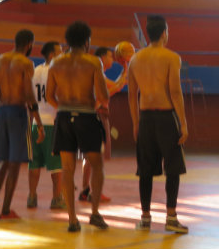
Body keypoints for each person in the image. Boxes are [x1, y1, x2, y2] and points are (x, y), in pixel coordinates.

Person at [128, 15, 189, 234]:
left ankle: (145, 218)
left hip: (145, 118)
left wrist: (136, 123)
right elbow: (175, 91)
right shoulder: (172, 57)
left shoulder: (135, 59)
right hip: (166, 117)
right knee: (173, 168)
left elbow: (132, 94)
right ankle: (171, 217)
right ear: (164, 33)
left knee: (145, 170)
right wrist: (183, 122)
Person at [47, 21, 110, 232]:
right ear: (87, 41)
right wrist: (97, 105)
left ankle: (72, 219)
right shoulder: (93, 62)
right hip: (86, 117)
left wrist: (63, 107)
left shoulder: (56, 63)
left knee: (67, 169)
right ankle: (94, 213)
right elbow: (103, 96)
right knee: (97, 165)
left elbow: (49, 95)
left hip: (64, 117)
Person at [0, 29, 44, 221]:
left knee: (3, 161)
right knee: (14, 163)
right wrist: (38, 122)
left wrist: (1, 112)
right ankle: (5, 210)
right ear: (29, 44)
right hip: (18, 112)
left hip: (3, 111)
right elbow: (29, 94)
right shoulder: (26, 63)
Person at [79, 45, 134, 202]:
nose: (112, 59)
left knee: (88, 156)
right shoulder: (99, 75)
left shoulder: (95, 74)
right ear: (102, 58)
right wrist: (126, 68)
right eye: (110, 56)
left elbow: (115, 86)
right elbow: (116, 87)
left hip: (87, 116)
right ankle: (94, 192)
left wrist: (124, 70)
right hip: (97, 117)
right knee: (97, 156)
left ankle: (85, 189)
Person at [27, 41, 65, 210]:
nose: (63, 54)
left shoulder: (35, 71)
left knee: (34, 163)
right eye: (60, 51)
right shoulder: (57, 71)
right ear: (51, 55)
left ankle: (32, 196)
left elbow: (30, 97)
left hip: (36, 122)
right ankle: (57, 198)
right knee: (56, 165)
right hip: (51, 122)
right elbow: (56, 96)